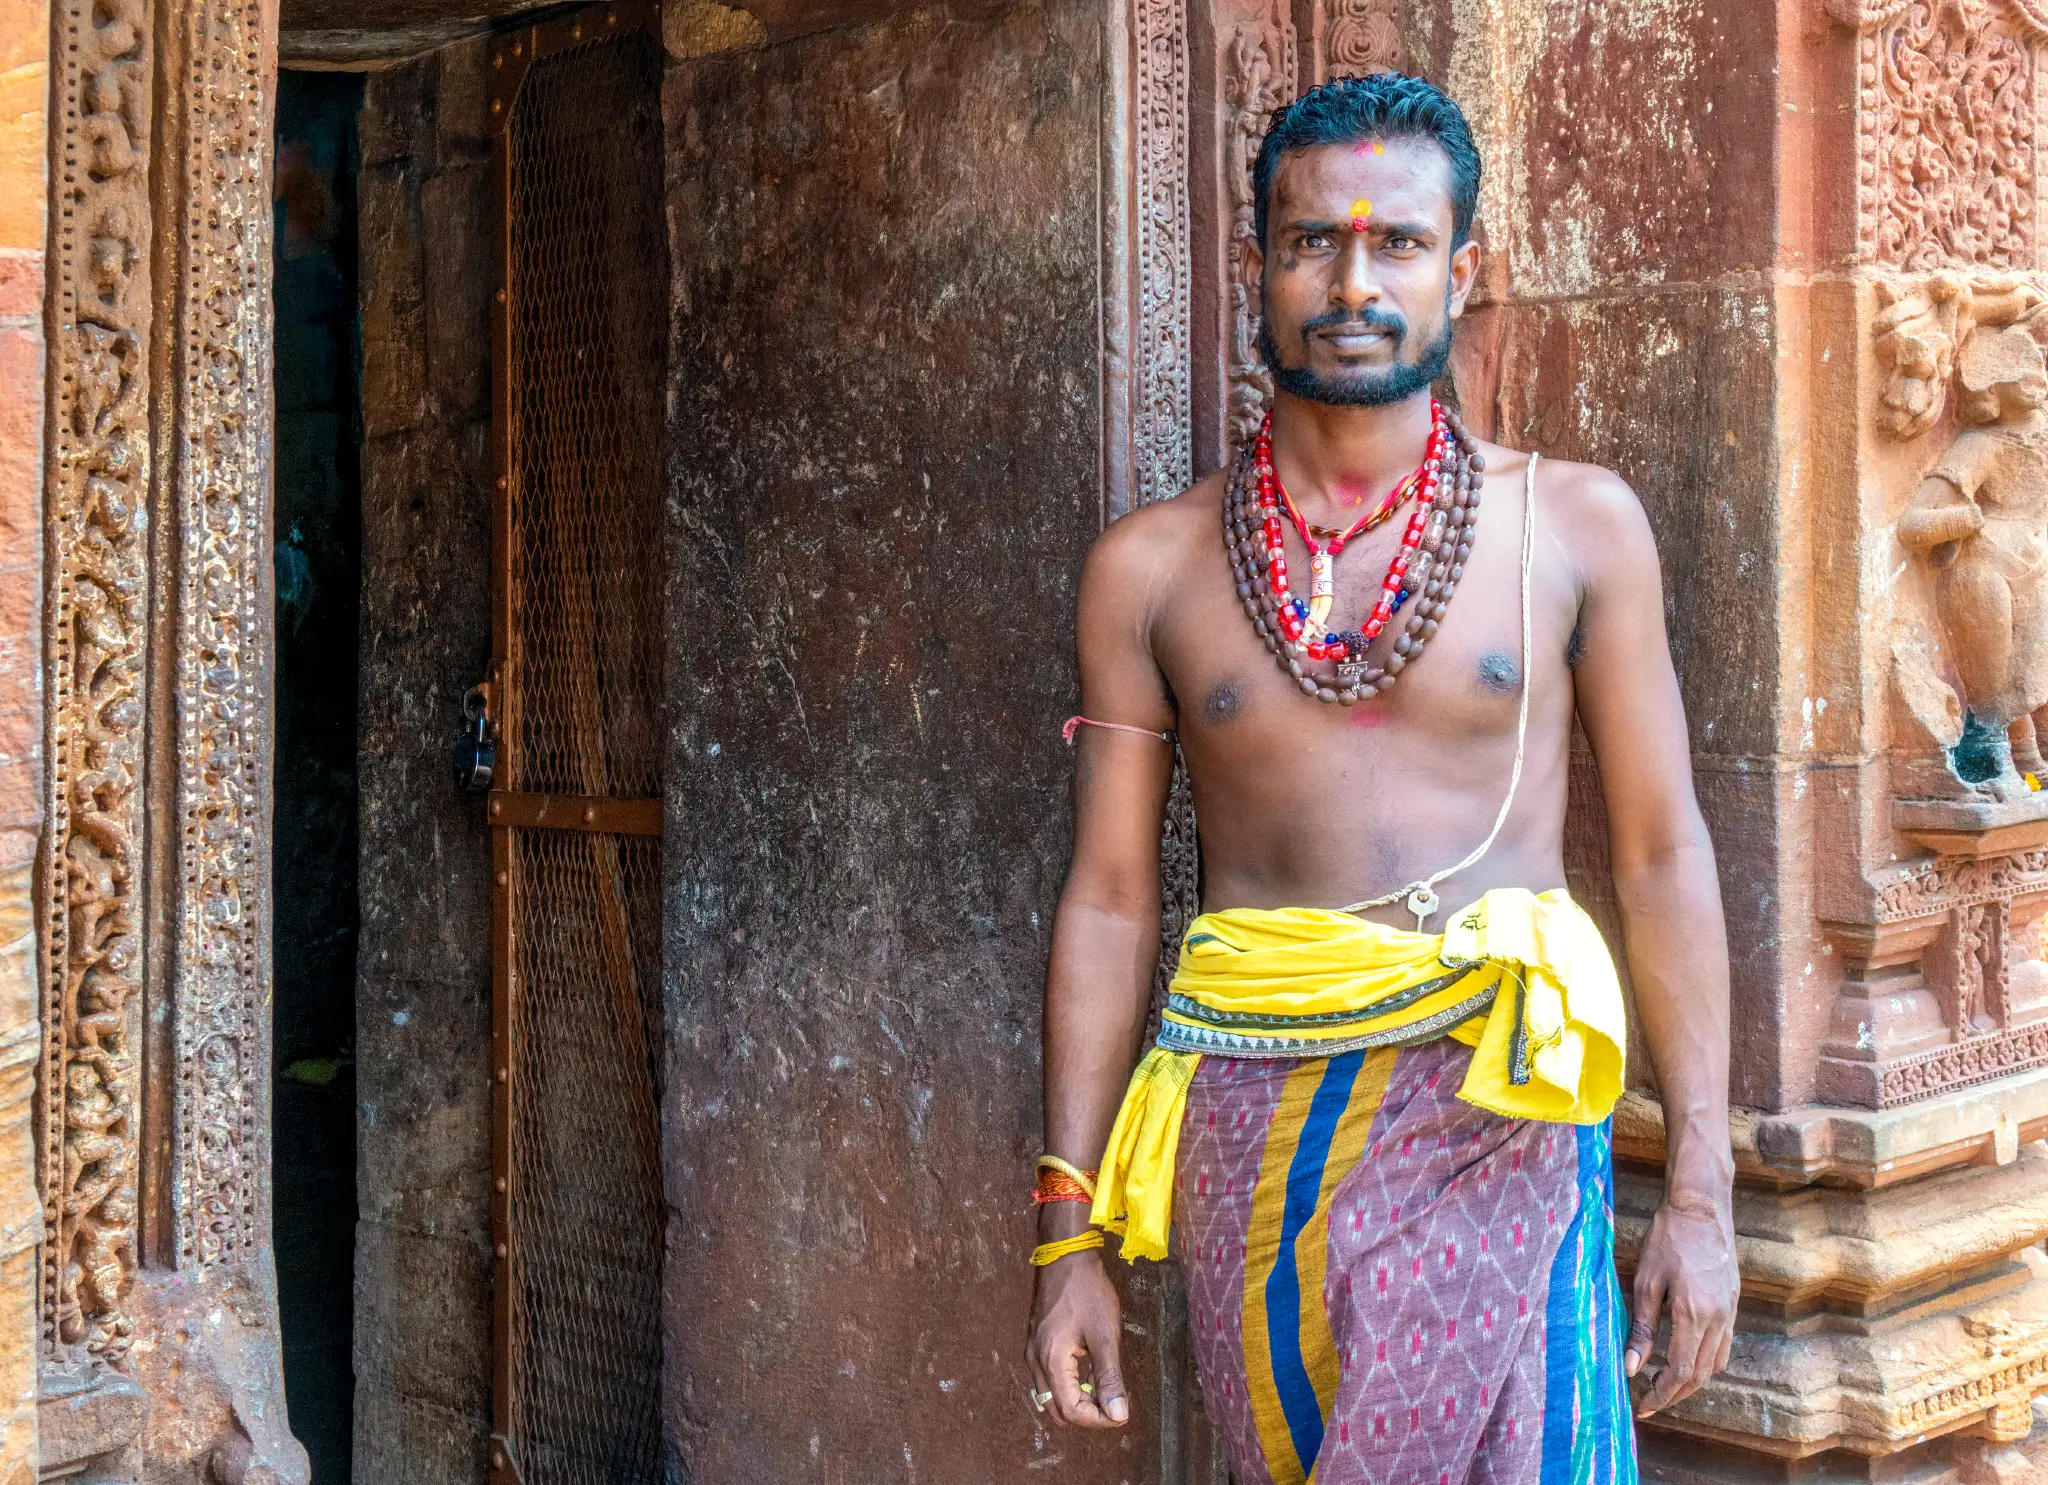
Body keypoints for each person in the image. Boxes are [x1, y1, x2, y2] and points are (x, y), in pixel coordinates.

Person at [1024, 74, 1738, 1485]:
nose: (1354, 284)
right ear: (1259, 266)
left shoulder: (1575, 527)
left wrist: (1704, 1196)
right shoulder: (1150, 570)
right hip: (1253, 1130)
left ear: (1460, 272)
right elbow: (1108, 901)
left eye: (1398, 242)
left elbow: (1663, 854)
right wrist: (1067, 1239)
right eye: (1314, 242)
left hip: (1501, 1111)